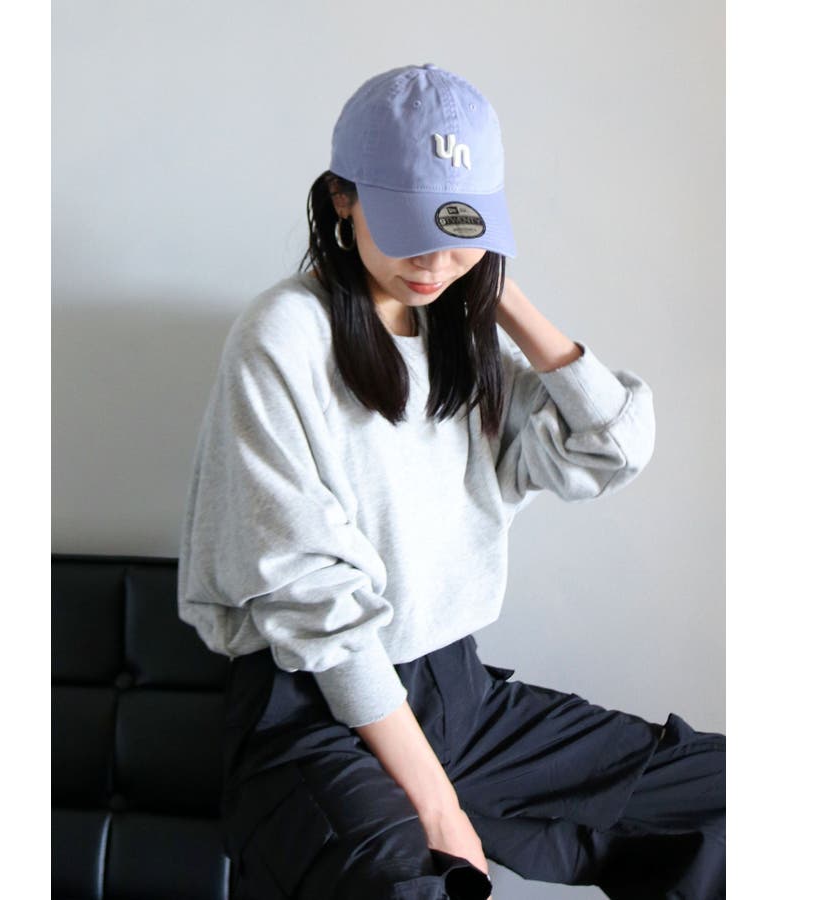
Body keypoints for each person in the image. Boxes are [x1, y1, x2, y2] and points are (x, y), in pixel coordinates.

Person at [177, 63, 725, 900]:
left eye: (461, 226)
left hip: (456, 697)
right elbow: (313, 602)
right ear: (342, 199)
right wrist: (437, 807)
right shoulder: (283, 335)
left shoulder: (460, 346)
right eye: (410, 227)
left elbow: (611, 447)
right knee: (414, 886)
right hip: (317, 710)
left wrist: (501, 296)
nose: (435, 260)